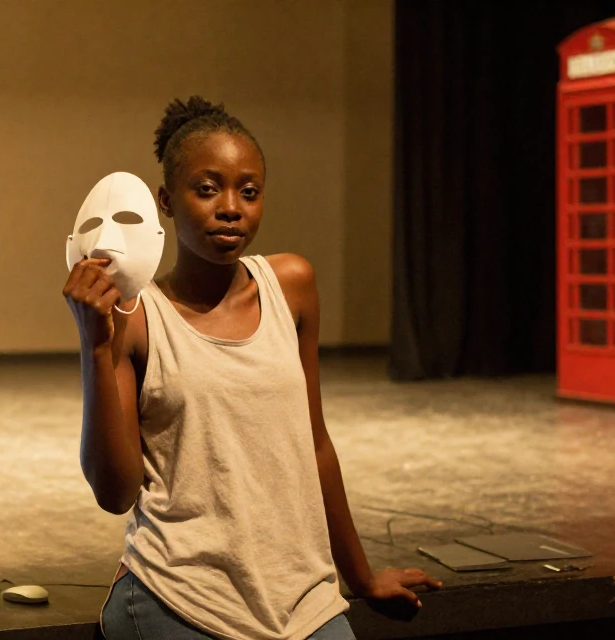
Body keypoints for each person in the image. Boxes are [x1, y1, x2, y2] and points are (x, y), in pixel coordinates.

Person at [62, 96, 441, 640]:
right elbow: (114, 493)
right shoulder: (139, 318)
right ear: (166, 202)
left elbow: (314, 444)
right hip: (183, 596)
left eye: (249, 191)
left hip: (301, 600)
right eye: (208, 188)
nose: (231, 208)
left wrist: (360, 577)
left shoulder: (292, 285)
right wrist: (95, 346)